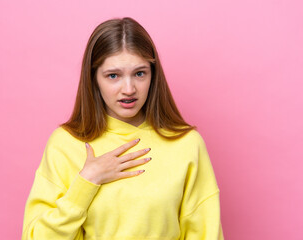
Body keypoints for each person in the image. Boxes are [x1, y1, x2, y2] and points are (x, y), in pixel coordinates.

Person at [22, 17, 224, 240]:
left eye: (139, 73)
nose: (129, 89)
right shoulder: (66, 144)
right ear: (93, 79)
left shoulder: (186, 143)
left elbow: (206, 233)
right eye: (113, 76)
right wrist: (87, 181)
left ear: (153, 76)